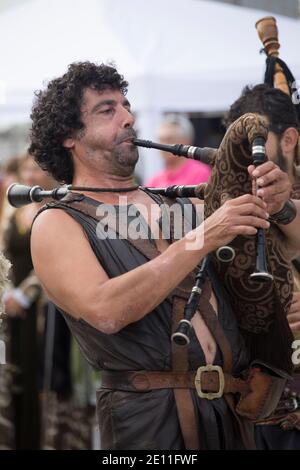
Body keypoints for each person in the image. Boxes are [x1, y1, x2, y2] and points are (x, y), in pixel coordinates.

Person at [28, 62, 300, 450]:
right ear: (69, 135)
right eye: (108, 110)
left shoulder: (182, 202)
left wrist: (281, 203)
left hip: (233, 414)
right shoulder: (58, 222)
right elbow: (107, 311)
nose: (127, 118)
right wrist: (203, 237)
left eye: (126, 105)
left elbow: (290, 243)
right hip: (148, 421)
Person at [224, 83, 300, 448]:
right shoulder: (226, 205)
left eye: (255, 141)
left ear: (288, 139)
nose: (245, 156)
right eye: (238, 143)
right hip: (254, 411)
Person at [145, 114, 211, 187]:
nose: (162, 145)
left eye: (169, 140)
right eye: (161, 140)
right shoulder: (155, 179)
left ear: (186, 141)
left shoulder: (200, 173)